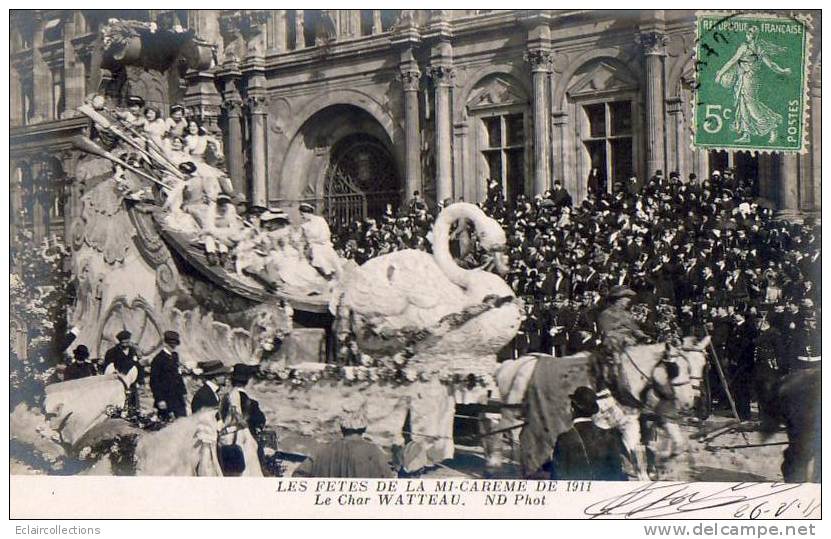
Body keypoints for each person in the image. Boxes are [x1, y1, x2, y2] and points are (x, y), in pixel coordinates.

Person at [293, 403, 395, 478]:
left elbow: (298, 477)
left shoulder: (322, 451)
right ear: (364, 428)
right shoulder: (373, 452)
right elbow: (390, 484)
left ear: (342, 427)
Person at [551, 387, 627, 481]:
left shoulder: (564, 439)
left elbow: (557, 478)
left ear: (572, 409)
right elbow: (617, 475)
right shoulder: (608, 436)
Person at [217, 364, 266, 476]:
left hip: (227, 444)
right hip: (246, 447)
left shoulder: (224, 400)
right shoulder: (252, 403)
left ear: (232, 380)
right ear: (247, 381)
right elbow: (260, 421)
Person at [150, 331, 188, 420]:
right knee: (167, 424)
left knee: (183, 421)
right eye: (170, 344)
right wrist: (159, 399)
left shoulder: (175, 356)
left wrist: (184, 392)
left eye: (174, 344)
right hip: (165, 397)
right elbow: (154, 381)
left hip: (178, 397)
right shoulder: (158, 359)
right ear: (165, 343)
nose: (173, 347)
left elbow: (178, 376)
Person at [103, 330, 144, 413]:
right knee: (120, 407)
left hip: (132, 384)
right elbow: (107, 369)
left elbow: (139, 366)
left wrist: (141, 381)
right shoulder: (112, 352)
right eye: (123, 343)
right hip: (119, 384)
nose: (125, 345)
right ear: (120, 342)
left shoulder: (133, 351)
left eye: (127, 342)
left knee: (134, 406)